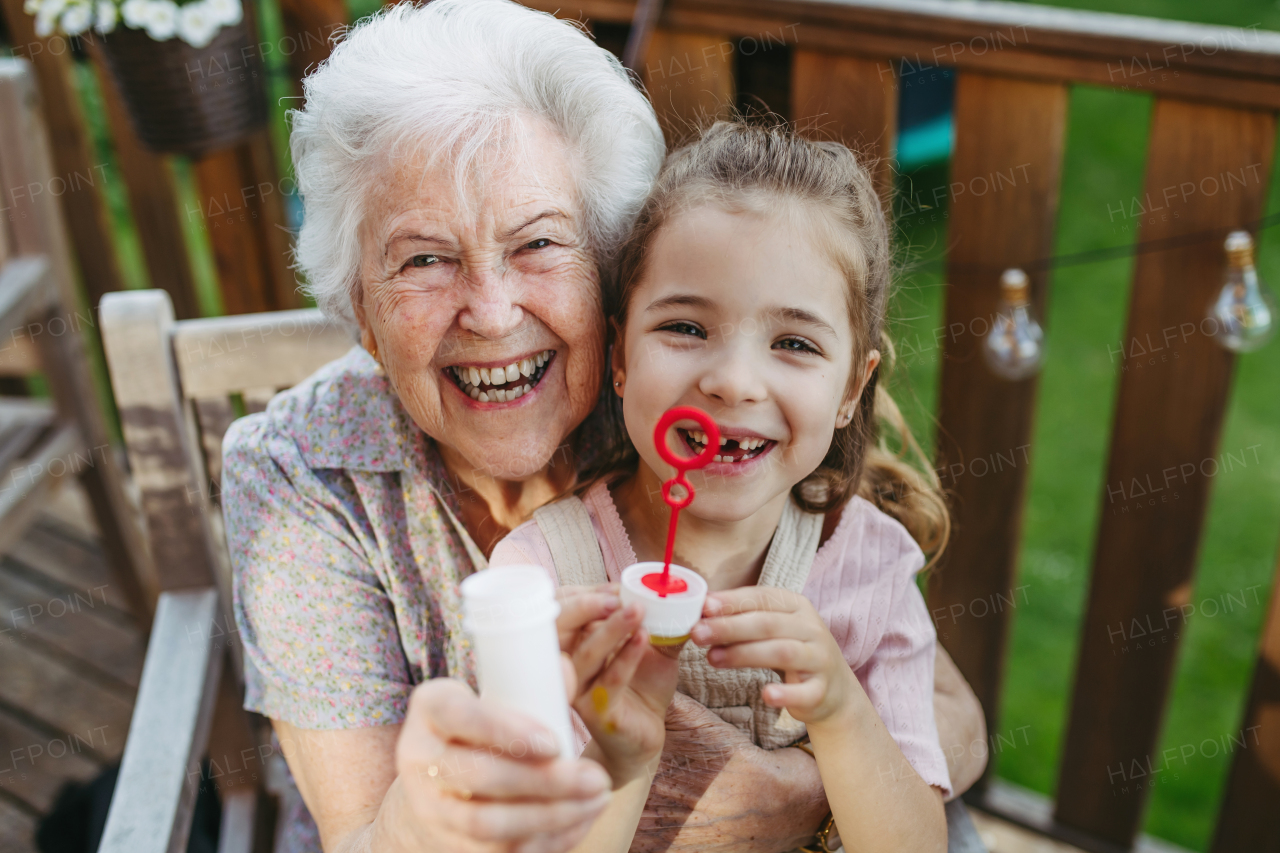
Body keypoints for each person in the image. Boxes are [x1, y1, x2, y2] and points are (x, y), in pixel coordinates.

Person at [221, 2, 988, 851]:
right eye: (424, 259)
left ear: (612, 270)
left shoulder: (703, 414)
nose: (491, 310)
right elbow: (368, 834)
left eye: (538, 243)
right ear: (361, 312)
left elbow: (940, 707)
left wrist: (800, 793)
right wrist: (435, 814)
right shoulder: (299, 477)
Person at [491, 121, 951, 852]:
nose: (733, 381)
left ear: (848, 391)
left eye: (794, 343)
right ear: (619, 357)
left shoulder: (871, 562)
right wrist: (621, 757)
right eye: (685, 327)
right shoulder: (543, 580)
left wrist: (839, 711)